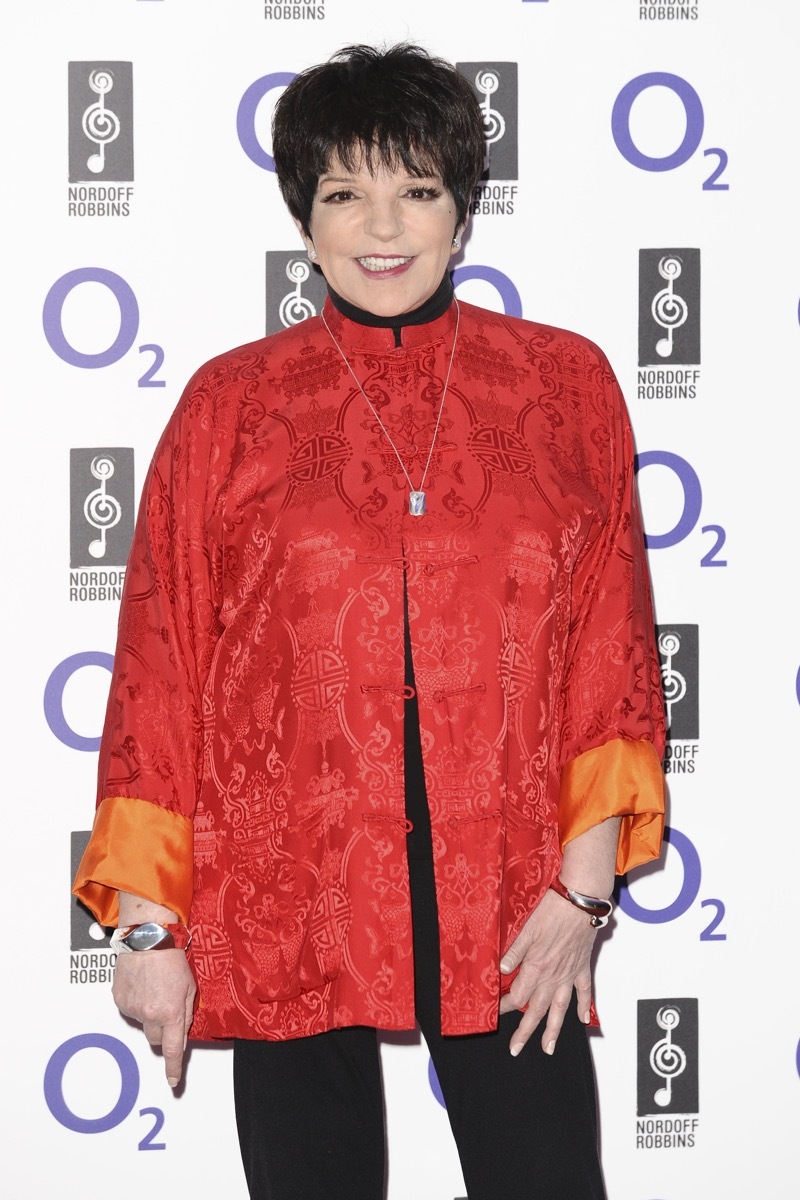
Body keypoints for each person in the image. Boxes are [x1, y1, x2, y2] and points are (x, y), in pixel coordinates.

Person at [74, 43, 666, 1200]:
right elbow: (159, 664)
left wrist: (581, 898)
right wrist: (147, 931)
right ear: (305, 220)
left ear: (463, 211)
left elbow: (611, 649)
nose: (381, 225)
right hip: (288, 892)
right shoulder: (229, 407)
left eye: (417, 189)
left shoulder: (560, 389)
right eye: (344, 192)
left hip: (512, 907)